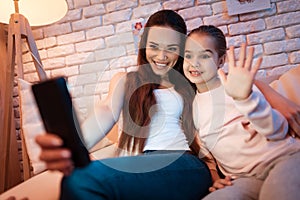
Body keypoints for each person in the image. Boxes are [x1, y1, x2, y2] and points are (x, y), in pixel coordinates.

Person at [36, 10, 213, 200]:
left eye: (171, 48)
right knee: (76, 180)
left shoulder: (188, 84)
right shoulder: (127, 80)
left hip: (183, 162)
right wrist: (72, 148)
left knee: (81, 180)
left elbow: (209, 123)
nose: (161, 56)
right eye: (154, 46)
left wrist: (214, 168)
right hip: (143, 165)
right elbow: (106, 110)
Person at [183, 25, 300, 200]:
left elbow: (278, 130)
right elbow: (208, 153)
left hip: (284, 158)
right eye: (188, 55)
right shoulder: (192, 107)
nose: (195, 62)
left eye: (205, 55)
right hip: (243, 179)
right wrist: (215, 179)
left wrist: (245, 99)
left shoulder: (238, 86)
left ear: (220, 61)